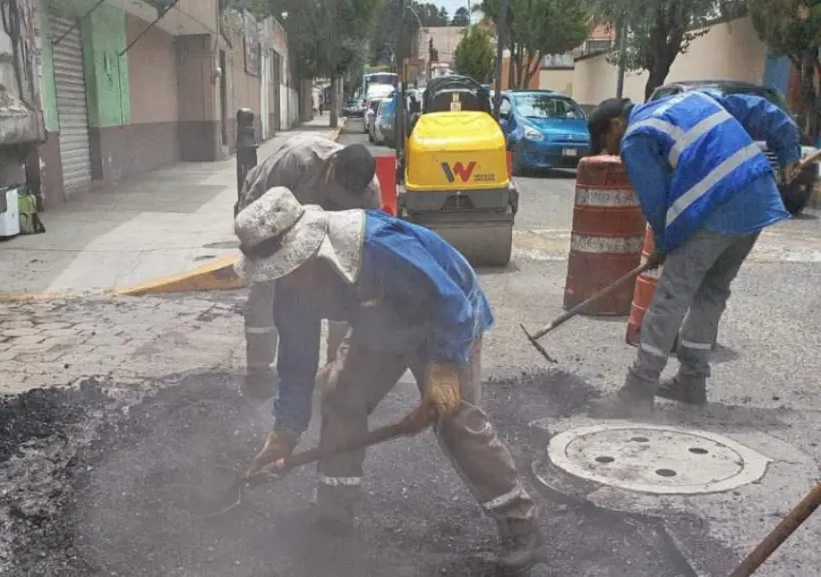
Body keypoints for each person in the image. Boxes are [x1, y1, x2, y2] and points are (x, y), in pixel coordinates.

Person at [233, 187, 542, 572]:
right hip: (380, 326)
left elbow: (449, 301)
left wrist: (443, 368)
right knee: (340, 395)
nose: (283, 279)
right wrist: (285, 432)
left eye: (285, 268)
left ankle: (519, 522)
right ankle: (333, 511)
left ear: (307, 246)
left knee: (455, 419)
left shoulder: (376, 246)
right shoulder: (291, 290)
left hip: (445, 321)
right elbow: (297, 363)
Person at [585, 92, 801, 417]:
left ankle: (638, 390)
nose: (611, 151)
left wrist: (662, 242)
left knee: (672, 295)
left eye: (606, 141)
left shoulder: (637, 135)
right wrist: (789, 152)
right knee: (711, 292)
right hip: (757, 199)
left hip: (716, 203)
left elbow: (655, 199)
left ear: (616, 123)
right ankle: (692, 381)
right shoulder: (694, 100)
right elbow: (764, 111)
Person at [235, 135, 381, 399]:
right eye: (338, 189)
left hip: (328, 233)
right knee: (265, 291)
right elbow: (256, 208)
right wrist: (256, 247)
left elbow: (369, 238)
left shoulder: (370, 191)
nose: (341, 198)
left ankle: (333, 372)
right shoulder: (297, 160)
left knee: (343, 291)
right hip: (277, 225)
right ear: (331, 166)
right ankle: (259, 372)